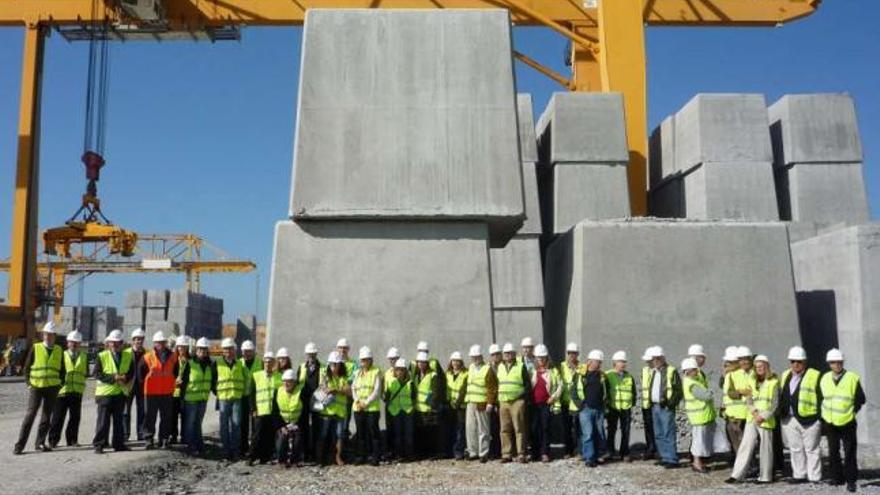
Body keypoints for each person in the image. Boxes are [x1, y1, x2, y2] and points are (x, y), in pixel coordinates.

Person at [14, 321, 65, 454]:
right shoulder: (36, 348)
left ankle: (40, 443)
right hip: (36, 387)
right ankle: (19, 445)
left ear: (54, 336)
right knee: (30, 415)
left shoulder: (59, 350)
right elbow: (27, 368)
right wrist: (29, 384)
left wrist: (59, 384)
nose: (47, 337)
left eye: (50, 334)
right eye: (45, 334)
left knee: (46, 417)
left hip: (52, 388)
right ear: (43, 335)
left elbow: (62, 370)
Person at [727, 354, 780, 484]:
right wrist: (755, 413)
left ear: (767, 366)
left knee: (765, 449)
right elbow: (749, 399)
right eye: (757, 367)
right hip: (753, 417)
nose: (759, 369)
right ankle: (736, 475)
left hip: (766, 419)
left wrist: (763, 416)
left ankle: (765, 477)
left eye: (761, 366)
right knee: (746, 445)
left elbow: (775, 403)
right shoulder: (752, 380)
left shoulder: (774, 382)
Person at [821, 348, 865, 493]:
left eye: (839, 362)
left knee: (849, 452)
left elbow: (860, 399)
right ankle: (837, 477)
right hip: (830, 420)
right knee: (833, 451)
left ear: (842, 362)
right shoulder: (825, 378)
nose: (837, 364)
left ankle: (851, 480)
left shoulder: (852, 378)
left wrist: (852, 412)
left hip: (847, 421)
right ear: (829, 363)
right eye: (833, 362)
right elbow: (821, 398)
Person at [779, 346, 822, 484]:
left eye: (799, 361)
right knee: (795, 448)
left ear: (804, 361)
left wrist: (820, 418)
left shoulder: (815, 375)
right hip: (790, 418)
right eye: (792, 361)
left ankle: (814, 477)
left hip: (810, 419)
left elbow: (822, 398)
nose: (795, 364)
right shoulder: (785, 374)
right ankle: (799, 475)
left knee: (812, 449)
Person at [92, 330, 134, 454]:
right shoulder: (102, 355)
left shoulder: (127, 356)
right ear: (108, 343)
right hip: (105, 394)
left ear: (121, 343)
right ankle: (99, 445)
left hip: (120, 393)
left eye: (117, 343)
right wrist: (113, 378)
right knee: (103, 422)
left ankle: (118, 444)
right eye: (112, 342)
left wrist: (125, 377)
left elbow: (131, 372)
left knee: (118, 422)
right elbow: (96, 373)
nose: (114, 345)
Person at [48, 330, 88, 448]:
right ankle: (53, 440)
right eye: (72, 342)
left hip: (77, 391)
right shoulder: (61, 354)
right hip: (62, 391)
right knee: (58, 418)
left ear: (80, 344)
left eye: (76, 342)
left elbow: (85, 373)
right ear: (67, 343)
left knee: (75, 418)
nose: (74, 344)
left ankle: (72, 440)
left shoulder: (84, 356)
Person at [139, 331, 179, 449]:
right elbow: (140, 375)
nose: (160, 344)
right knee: (149, 417)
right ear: (154, 343)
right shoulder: (147, 357)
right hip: (151, 393)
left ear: (165, 343)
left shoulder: (173, 356)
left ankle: (164, 439)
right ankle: (149, 439)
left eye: (162, 342)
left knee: (166, 418)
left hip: (166, 392)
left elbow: (176, 373)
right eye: (158, 342)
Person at [180, 337, 216, 455]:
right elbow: (184, 382)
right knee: (190, 423)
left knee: (198, 423)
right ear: (196, 350)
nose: (202, 352)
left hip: (203, 399)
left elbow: (212, 382)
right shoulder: (190, 364)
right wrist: (181, 399)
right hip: (191, 399)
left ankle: (198, 444)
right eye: (200, 349)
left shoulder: (210, 365)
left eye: (204, 350)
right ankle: (191, 446)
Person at [648, 346, 682, 468]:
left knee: (668, 432)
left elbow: (678, 391)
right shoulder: (654, 372)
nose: (654, 361)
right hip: (655, 406)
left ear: (662, 358)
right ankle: (664, 456)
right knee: (658, 433)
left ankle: (672, 459)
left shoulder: (671, 371)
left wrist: (670, 404)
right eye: (653, 359)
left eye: (656, 359)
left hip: (665, 407)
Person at [572, 349, 607, 467]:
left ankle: (596, 456)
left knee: (599, 433)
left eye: (600, 362)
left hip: (599, 409)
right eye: (598, 362)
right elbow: (573, 391)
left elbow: (606, 392)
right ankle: (589, 458)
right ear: (590, 362)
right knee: (588, 434)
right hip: (585, 409)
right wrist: (580, 405)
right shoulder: (580, 375)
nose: (600, 364)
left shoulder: (602, 376)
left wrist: (603, 405)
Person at [681, 357, 715, 474]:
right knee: (699, 441)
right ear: (688, 371)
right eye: (694, 370)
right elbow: (706, 396)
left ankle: (698, 462)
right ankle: (697, 463)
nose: (697, 371)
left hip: (699, 416)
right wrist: (710, 391)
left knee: (699, 440)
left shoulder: (691, 381)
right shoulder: (692, 384)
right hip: (699, 416)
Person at [497, 343, 530, 463]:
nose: (507, 355)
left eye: (510, 353)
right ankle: (506, 454)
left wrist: (522, 398)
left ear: (514, 354)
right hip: (504, 401)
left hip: (517, 401)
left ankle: (521, 453)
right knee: (504, 429)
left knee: (519, 428)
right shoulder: (500, 367)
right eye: (505, 353)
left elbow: (527, 385)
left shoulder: (521, 366)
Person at [316, 351, 350, 466]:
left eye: (336, 364)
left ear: (341, 365)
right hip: (327, 411)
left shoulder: (344, 378)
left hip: (340, 412)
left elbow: (349, 392)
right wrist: (332, 389)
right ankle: (321, 458)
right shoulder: (325, 377)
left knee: (339, 435)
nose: (334, 367)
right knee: (323, 434)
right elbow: (322, 390)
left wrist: (336, 390)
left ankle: (337, 457)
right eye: (332, 364)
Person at [464, 345, 496, 463]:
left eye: (477, 357)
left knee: (483, 429)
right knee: (470, 428)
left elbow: (492, 387)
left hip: (482, 402)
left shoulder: (487, 369)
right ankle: (473, 451)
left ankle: (483, 452)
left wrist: (490, 403)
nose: (475, 359)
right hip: (471, 402)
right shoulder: (471, 367)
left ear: (481, 357)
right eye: (473, 357)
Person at [530, 344, 561, 462]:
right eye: (539, 358)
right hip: (534, 404)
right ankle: (535, 452)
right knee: (534, 428)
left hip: (546, 404)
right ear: (536, 359)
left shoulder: (553, 371)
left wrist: (553, 397)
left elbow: (560, 386)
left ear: (547, 358)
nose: (541, 360)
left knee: (545, 428)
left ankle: (544, 452)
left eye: (543, 357)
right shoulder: (532, 371)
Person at [352, 346, 382, 465]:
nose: (364, 362)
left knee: (373, 433)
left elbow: (377, 390)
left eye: (366, 359)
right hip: (358, 407)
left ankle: (375, 457)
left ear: (371, 360)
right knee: (360, 433)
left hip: (371, 408)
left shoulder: (376, 371)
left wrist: (366, 403)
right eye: (362, 360)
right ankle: (361, 456)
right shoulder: (357, 373)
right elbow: (353, 388)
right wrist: (358, 401)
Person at [217, 338, 246, 461]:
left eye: (230, 349)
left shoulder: (240, 363)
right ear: (223, 351)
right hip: (223, 399)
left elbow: (244, 379)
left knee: (236, 426)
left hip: (236, 399)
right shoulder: (218, 363)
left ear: (234, 350)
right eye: (226, 349)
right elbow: (213, 380)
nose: (228, 351)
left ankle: (235, 451)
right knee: (224, 426)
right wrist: (218, 393)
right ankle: (225, 451)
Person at [249, 350, 280, 465]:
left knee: (269, 435)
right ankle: (251, 457)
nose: (268, 364)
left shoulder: (278, 377)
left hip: (272, 411)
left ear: (273, 363)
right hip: (260, 411)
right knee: (257, 435)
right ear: (263, 363)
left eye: (270, 362)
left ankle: (264, 457)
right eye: (266, 362)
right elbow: (252, 394)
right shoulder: (256, 376)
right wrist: (253, 409)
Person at [605, 350, 636, 462]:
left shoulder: (629, 377)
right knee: (611, 430)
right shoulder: (608, 375)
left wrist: (632, 404)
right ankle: (610, 452)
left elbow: (633, 391)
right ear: (614, 363)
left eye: (624, 362)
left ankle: (625, 453)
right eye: (620, 361)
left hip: (625, 408)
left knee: (626, 431)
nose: (623, 364)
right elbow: (606, 391)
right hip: (613, 407)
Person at [414, 351, 444, 459]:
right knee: (422, 432)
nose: (421, 364)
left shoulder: (433, 375)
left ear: (427, 363)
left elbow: (435, 391)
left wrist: (431, 405)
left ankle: (433, 453)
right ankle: (423, 453)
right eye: (419, 362)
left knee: (431, 433)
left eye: (423, 362)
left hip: (428, 409)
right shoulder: (417, 375)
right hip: (418, 408)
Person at [725, 346, 755, 454]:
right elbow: (730, 392)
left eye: (746, 359)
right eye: (741, 360)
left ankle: (752, 465)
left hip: (753, 413)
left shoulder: (755, 372)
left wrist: (751, 392)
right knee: (739, 444)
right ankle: (745, 467)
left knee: (750, 443)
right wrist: (741, 392)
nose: (744, 362)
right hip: (737, 414)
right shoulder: (734, 374)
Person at [385, 358, 416, 462]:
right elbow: (386, 397)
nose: (400, 372)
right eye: (398, 369)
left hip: (407, 411)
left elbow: (414, 397)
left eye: (402, 370)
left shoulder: (410, 383)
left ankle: (408, 455)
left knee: (408, 434)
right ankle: (398, 454)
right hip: (395, 411)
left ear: (405, 371)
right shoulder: (391, 382)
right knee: (397, 434)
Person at [276, 369, 305, 468]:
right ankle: (281, 460)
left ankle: (295, 460)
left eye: (289, 381)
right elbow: (275, 412)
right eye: (284, 381)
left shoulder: (301, 392)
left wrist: (297, 425)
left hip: (296, 423)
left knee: (298, 440)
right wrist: (282, 426)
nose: (286, 383)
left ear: (294, 382)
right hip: (283, 423)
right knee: (282, 439)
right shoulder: (278, 391)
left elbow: (305, 411)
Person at [123, 328, 147, 442]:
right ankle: (125, 434)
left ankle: (141, 433)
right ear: (133, 340)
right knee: (126, 411)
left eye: (141, 339)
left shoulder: (147, 354)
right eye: (137, 339)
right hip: (128, 385)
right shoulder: (126, 353)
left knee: (142, 411)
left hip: (142, 386)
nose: (139, 342)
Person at [239, 339, 262, 457]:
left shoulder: (260, 363)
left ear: (253, 352)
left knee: (255, 424)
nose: (247, 353)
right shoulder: (239, 363)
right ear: (242, 352)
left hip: (255, 398)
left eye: (249, 351)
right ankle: (243, 448)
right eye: (245, 351)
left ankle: (254, 449)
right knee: (243, 424)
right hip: (242, 397)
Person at [560, 342, 582, 458]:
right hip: (565, 401)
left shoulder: (582, 367)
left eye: (574, 353)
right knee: (566, 427)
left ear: (577, 354)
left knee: (579, 427)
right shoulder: (562, 366)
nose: (572, 356)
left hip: (577, 402)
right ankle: (567, 451)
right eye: (570, 353)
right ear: (567, 354)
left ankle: (578, 450)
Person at [719, 345, 741, 463]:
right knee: (734, 441)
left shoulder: (741, 374)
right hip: (730, 413)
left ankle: (746, 466)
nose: (726, 363)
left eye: (729, 362)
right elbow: (724, 390)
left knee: (741, 443)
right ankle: (738, 461)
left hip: (739, 414)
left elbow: (738, 393)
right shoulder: (728, 374)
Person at [445, 351, 468, 460]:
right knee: (451, 428)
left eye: (457, 361)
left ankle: (459, 451)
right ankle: (450, 451)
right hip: (450, 405)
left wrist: (458, 402)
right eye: (454, 361)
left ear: (461, 362)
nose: (455, 363)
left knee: (460, 430)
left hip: (461, 406)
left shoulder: (465, 373)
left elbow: (464, 390)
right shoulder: (448, 374)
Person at [170, 335, 191, 445]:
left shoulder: (190, 361)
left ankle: (184, 436)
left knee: (184, 415)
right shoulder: (173, 360)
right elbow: (169, 374)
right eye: (179, 347)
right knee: (173, 414)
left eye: (184, 347)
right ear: (177, 348)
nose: (181, 349)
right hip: (174, 391)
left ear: (187, 348)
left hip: (185, 391)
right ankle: (173, 435)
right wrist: (174, 382)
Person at [639, 347, 657, 461]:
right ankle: (650, 449)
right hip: (646, 405)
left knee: (658, 430)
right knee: (649, 429)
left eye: (649, 360)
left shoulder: (660, 371)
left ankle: (658, 450)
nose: (647, 362)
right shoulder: (645, 370)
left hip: (656, 405)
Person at [383, 346, 401, 459]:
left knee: (398, 431)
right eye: (391, 359)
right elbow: (384, 388)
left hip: (400, 407)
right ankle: (390, 452)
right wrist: (384, 398)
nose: (392, 361)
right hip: (389, 406)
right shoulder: (387, 373)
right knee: (390, 429)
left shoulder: (405, 372)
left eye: (394, 358)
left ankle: (398, 452)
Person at [487, 343, 503, 459]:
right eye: (493, 354)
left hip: (504, 400)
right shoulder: (488, 368)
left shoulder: (504, 366)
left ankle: (506, 450)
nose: (496, 356)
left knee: (505, 427)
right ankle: (495, 451)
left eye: (497, 354)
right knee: (494, 427)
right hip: (493, 401)